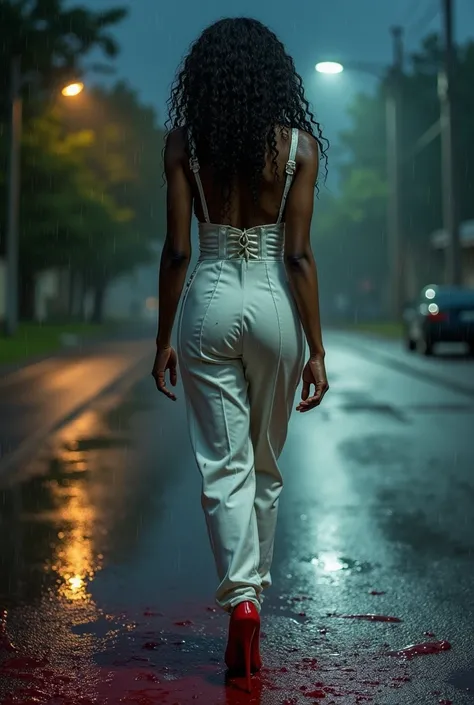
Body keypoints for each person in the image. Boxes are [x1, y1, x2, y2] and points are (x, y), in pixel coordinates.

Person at [152, 17, 329, 691]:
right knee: (266, 462)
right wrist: (316, 348)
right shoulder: (299, 149)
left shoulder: (184, 144)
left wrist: (163, 336)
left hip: (210, 299)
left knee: (222, 462)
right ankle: (253, 597)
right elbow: (301, 255)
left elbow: (176, 250)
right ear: (273, 77)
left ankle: (242, 598)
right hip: (276, 306)